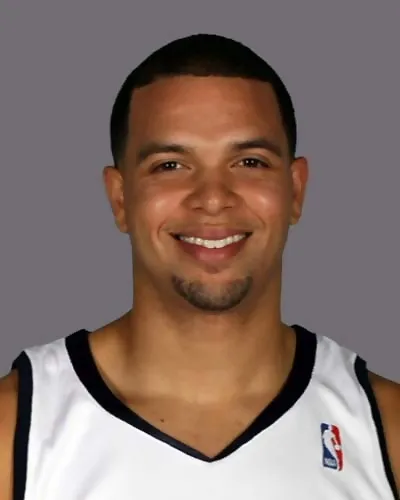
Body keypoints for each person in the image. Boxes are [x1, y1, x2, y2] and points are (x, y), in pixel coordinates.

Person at [0, 33, 399, 500]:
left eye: (249, 161)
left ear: (296, 190)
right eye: (170, 165)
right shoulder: (16, 428)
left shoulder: (385, 430)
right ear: (120, 198)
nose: (212, 198)